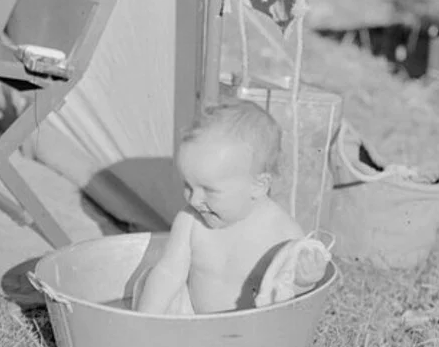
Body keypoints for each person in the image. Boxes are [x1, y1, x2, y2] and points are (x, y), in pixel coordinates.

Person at [134, 100, 330, 315]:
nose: (194, 200)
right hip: (193, 325)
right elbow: (169, 273)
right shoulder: (190, 221)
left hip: (249, 335)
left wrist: (304, 281)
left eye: (209, 190)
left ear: (258, 186)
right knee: (151, 282)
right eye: (188, 186)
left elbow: (286, 294)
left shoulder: (281, 234)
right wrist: (146, 319)